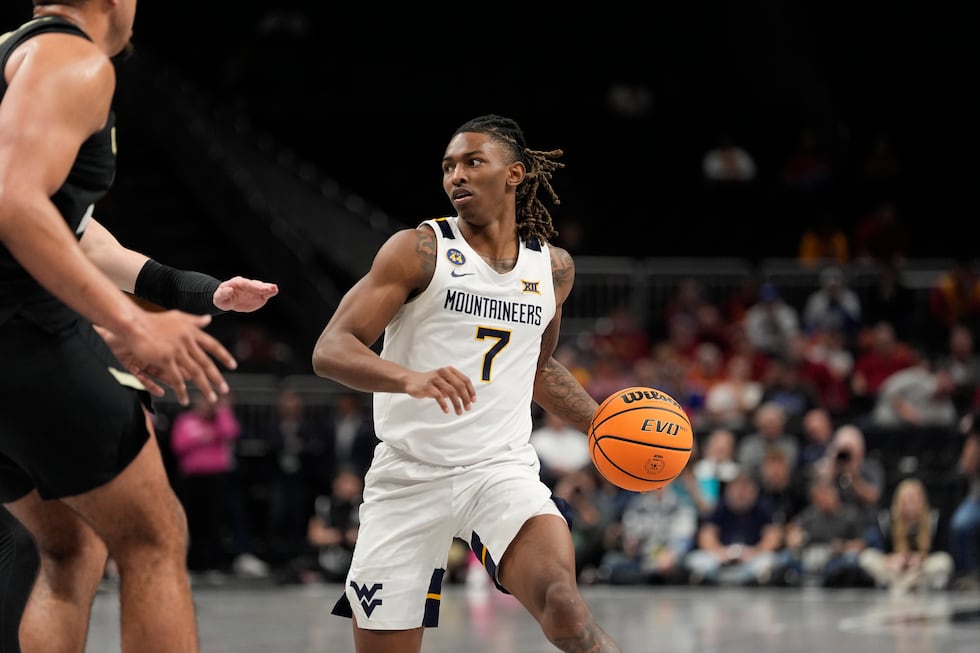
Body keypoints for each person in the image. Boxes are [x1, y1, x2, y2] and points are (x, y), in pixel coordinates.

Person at [0, 3, 279, 651]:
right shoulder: (72, 59)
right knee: (153, 536)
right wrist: (124, 321)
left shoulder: (16, 56)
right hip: (22, 331)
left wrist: (199, 291)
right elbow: (15, 205)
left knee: (68, 544)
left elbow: (81, 238)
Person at [312, 114, 622, 652]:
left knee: (566, 609)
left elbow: (538, 369)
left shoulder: (552, 269)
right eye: (448, 165)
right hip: (408, 477)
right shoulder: (418, 249)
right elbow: (330, 348)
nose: (456, 175)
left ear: (515, 174)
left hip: (499, 471)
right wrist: (408, 378)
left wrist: (605, 426)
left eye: (473, 162)